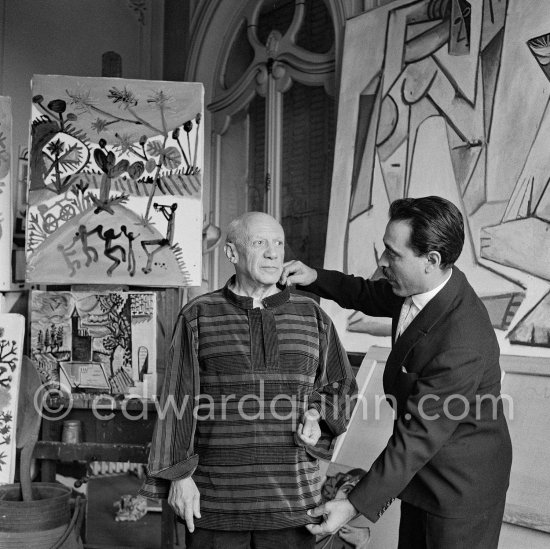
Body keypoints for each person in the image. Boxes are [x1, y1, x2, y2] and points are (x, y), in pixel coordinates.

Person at [280, 196, 512, 549]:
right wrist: (315, 278)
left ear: (431, 260)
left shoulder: (462, 341)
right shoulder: (422, 287)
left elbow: (417, 436)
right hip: (421, 471)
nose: (382, 261)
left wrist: (353, 504)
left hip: (460, 488)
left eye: (393, 253)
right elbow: (369, 294)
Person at [140, 211, 357, 549]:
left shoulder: (312, 315)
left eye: (279, 243)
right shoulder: (198, 315)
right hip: (214, 503)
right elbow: (176, 400)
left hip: (292, 503)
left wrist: (316, 415)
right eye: (259, 243)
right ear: (231, 254)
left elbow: (340, 388)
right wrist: (179, 477)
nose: (273, 253)